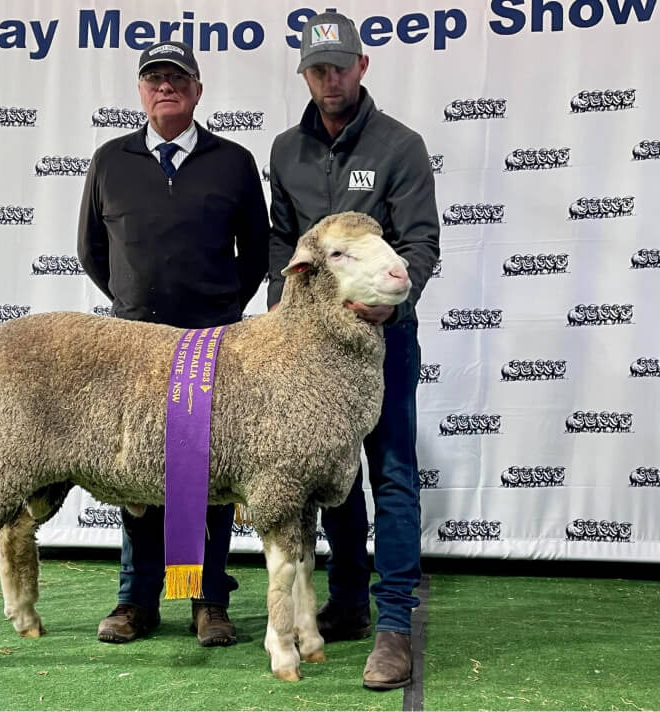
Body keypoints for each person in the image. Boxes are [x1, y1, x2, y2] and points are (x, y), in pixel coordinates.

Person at [266, 12, 440, 690]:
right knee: (333, 476)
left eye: (340, 66)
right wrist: (281, 305)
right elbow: (283, 240)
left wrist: (387, 304)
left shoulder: (400, 146)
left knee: (393, 471)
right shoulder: (285, 150)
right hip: (313, 353)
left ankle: (394, 623)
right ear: (304, 73)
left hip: (386, 341)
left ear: (362, 68)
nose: (329, 77)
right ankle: (345, 603)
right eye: (317, 68)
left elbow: (420, 246)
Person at [78, 40, 269, 648]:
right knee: (137, 471)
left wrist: (220, 312)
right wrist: (135, 307)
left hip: (212, 347)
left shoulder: (234, 162)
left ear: (197, 90)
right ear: (140, 91)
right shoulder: (110, 159)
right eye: (154, 78)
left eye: (177, 78)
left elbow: (258, 255)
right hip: (134, 346)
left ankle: (208, 600)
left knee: (210, 472)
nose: (166, 87)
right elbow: (91, 251)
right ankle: (137, 600)